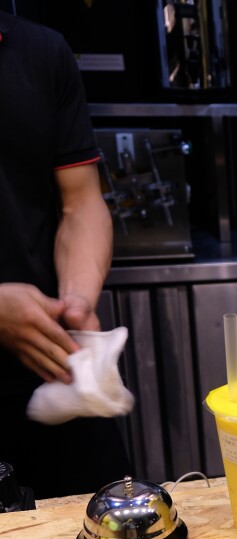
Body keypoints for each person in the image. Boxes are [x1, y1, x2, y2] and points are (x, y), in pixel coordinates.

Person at [0, 10, 131, 499]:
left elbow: (80, 201)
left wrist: (77, 297)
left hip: (56, 367)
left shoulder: (41, 51)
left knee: (112, 537)